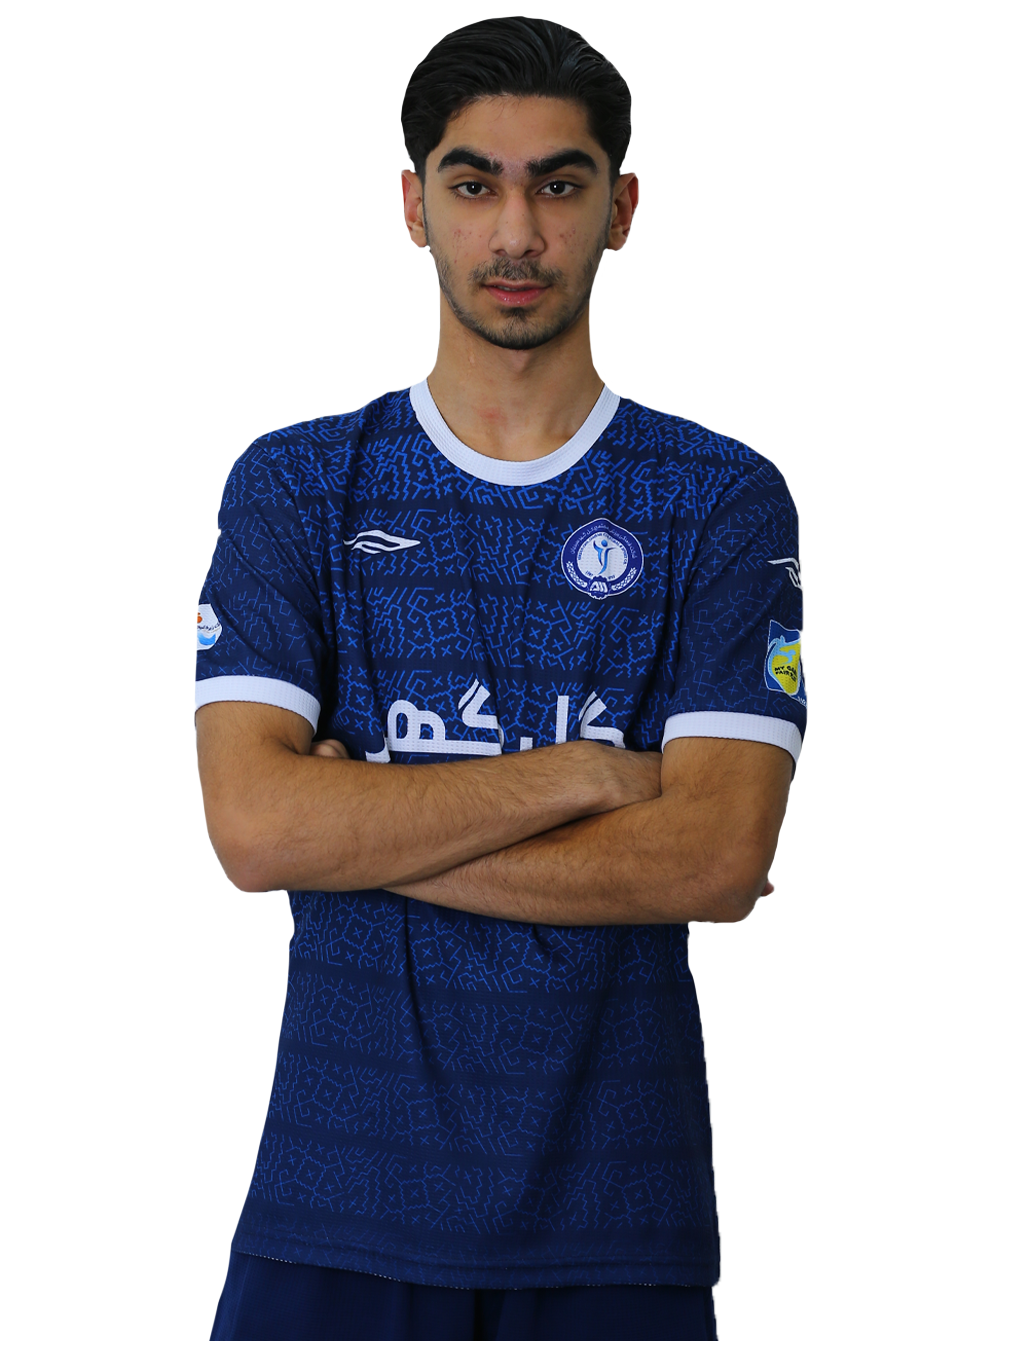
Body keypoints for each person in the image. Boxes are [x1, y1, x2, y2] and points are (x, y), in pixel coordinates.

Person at [190, 9, 806, 1341]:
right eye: (473, 186)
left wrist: (359, 828)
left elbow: (715, 859)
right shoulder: (294, 487)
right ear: (415, 208)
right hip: (329, 1195)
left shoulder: (722, 498)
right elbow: (253, 828)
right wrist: (586, 776)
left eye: (558, 185)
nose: (516, 234)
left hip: (617, 1215)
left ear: (621, 209)